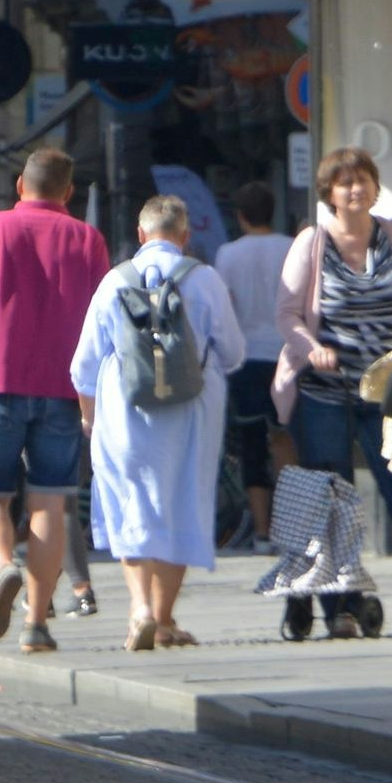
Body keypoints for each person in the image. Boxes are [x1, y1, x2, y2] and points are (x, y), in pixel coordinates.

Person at [0, 148, 112, 652]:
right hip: (64, 390)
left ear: (19, 185)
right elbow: (102, 321)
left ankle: (4, 564)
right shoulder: (88, 239)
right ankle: (36, 623)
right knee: (52, 500)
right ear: (68, 193)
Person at [277, 148, 392, 635]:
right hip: (325, 394)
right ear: (329, 192)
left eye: (364, 180)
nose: (356, 189)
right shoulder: (311, 243)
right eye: (345, 183)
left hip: (389, 394)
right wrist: (312, 349)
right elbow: (287, 313)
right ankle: (342, 609)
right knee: (334, 501)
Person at [71, 197, 242, 651]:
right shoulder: (204, 279)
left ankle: (140, 610)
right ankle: (165, 619)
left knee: (131, 506)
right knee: (182, 504)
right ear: (185, 237)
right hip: (191, 412)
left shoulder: (113, 281)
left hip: (124, 412)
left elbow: (83, 365)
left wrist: (89, 416)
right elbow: (234, 352)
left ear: (141, 234)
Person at [212, 181, 291, 554]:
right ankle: (293, 523)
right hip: (285, 354)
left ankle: (262, 531)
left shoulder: (227, 254)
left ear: (239, 216)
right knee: (284, 437)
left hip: (245, 357)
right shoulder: (290, 248)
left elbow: (224, 306)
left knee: (251, 442)